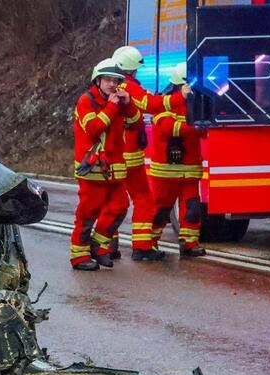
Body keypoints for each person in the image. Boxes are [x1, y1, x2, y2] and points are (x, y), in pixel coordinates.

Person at [112, 45, 191, 261]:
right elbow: (152, 104)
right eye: (135, 70)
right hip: (129, 157)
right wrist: (179, 98)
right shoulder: (128, 87)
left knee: (112, 201)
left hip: (114, 156)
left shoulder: (110, 88)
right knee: (144, 198)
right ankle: (142, 247)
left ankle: (108, 247)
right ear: (129, 70)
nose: (136, 73)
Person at [70, 58, 134, 271]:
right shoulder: (86, 101)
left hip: (114, 169)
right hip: (93, 170)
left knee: (120, 207)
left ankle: (99, 246)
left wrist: (127, 103)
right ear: (97, 81)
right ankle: (79, 255)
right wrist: (112, 107)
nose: (112, 85)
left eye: (115, 81)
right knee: (88, 213)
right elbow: (93, 129)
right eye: (107, 80)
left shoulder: (117, 101)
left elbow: (134, 123)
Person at [148, 63, 206, 256]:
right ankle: (148, 243)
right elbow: (168, 128)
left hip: (189, 169)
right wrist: (194, 128)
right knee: (160, 211)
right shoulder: (164, 103)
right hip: (165, 172)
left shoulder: (198, 104)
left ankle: (189, 244)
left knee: (192, 209)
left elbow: (205, 130)